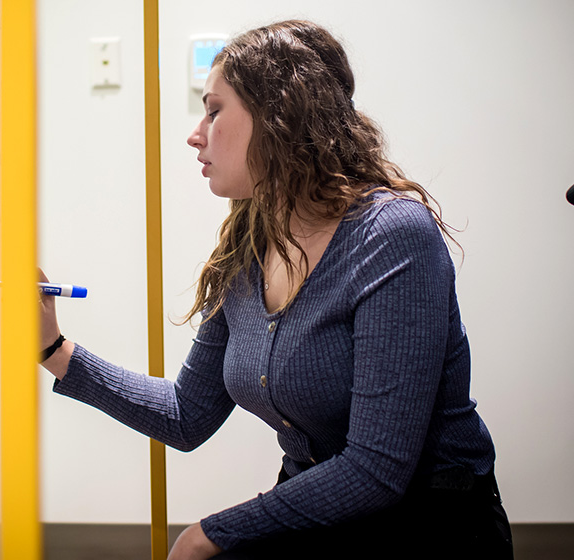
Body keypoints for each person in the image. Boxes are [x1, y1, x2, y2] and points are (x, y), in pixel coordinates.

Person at [39, 20, 512, 559]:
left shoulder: (393, 236)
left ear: (277, 118)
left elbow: (377, 468)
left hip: (429, 523)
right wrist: (53, 349)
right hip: (324, 512)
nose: (196, 133)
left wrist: (208, 532)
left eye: (214, 110)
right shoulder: (249, 247)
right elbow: (186, 414)